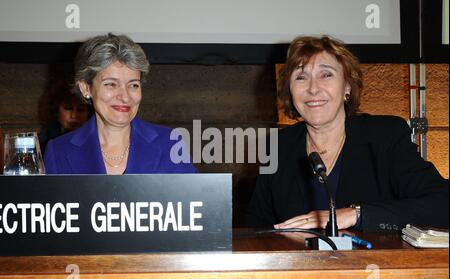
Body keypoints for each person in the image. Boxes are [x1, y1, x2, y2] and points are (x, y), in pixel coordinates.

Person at [246, 35, 448, 232]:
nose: (313, 89)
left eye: (326, 75)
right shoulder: (279, 146)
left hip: (373, 265)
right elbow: (256, 228)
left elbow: (442, 204)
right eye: (301, 77)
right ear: (290, 91)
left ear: (347, 87)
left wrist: (356, 214)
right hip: (300, 265)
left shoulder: (384, 135)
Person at [44, 33, 196, 174]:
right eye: (111, 84)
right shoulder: (58, 151)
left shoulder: (170, 143)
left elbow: (195, 200)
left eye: (133, 85)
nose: (125, 97)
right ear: (86, 88)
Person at [38, 79, 92, 155]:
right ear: (56, 111)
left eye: (81, 109)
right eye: (68, 108)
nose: (74, 115)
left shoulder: (95, 141)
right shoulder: (44, 145)